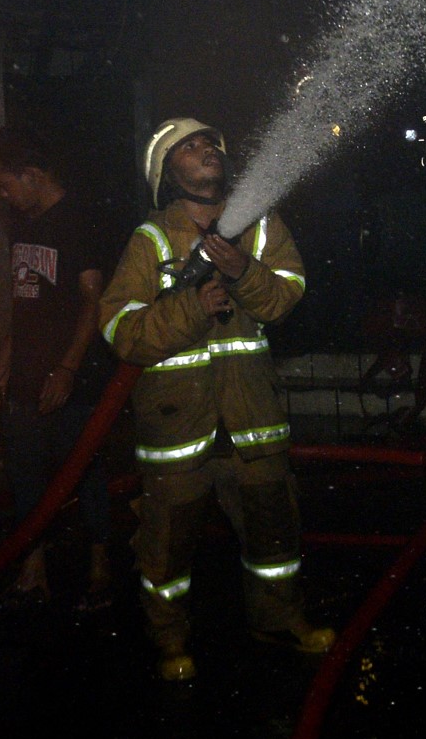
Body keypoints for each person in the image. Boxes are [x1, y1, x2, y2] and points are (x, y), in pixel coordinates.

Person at [98, 117, 336, 680]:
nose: (206, 150)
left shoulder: (260, 226)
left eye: (210, 142)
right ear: (166, 174)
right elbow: (120, 330)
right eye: (188, 147)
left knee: (275, 534)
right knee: (166, 548)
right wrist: (191, 308)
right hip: (177, 425)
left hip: (252, 420)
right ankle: (171, 640)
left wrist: (244, 273)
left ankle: (279, 619)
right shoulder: (150, 240)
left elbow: (285, 299)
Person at [0, 125, 115, 608]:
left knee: (85, 469)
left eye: (5, 183)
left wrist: (67, 368)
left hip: (72, 376)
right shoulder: (23, 222)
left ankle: (101, 570)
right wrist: (4, 360)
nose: (2, 193)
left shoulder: (78, 219)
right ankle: (32, 571)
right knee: (25, 472)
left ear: (32, 175)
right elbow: (26, 296)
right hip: (26, 373)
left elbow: (92, 301)